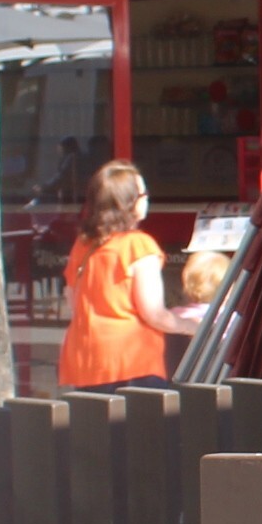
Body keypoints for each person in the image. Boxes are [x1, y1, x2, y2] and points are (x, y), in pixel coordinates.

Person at [58, 162, 184, 389]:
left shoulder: (83, 245)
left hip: (86, 363)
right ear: (128, 203)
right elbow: (155, 315)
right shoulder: (139, 245)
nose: (147, 199)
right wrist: (198, 328)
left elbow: (73, 302)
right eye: (143, 194)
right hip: (132, 363)